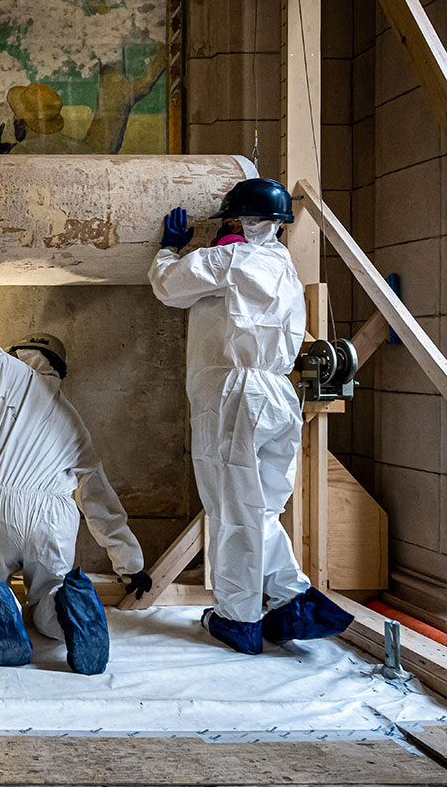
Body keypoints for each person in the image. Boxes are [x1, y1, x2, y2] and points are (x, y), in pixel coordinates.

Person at [147, 178, 353, 654]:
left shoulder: (228, 259)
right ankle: (293, 599)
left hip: (234, 396)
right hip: (279, 395)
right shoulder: (282, 263)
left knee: (232, 510)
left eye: (231, 220)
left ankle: (238, 619)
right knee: (259, 508)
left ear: (239, 221)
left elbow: (168, 287)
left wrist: (168, 249)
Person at [0, 254, 150, 674]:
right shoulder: (75, 424)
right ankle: (68, 605)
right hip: (54, 513)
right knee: (50, 593)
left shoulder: (8, 376)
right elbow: (99, 501)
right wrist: (130, 565)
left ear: (21, 355)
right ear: (61, 370)